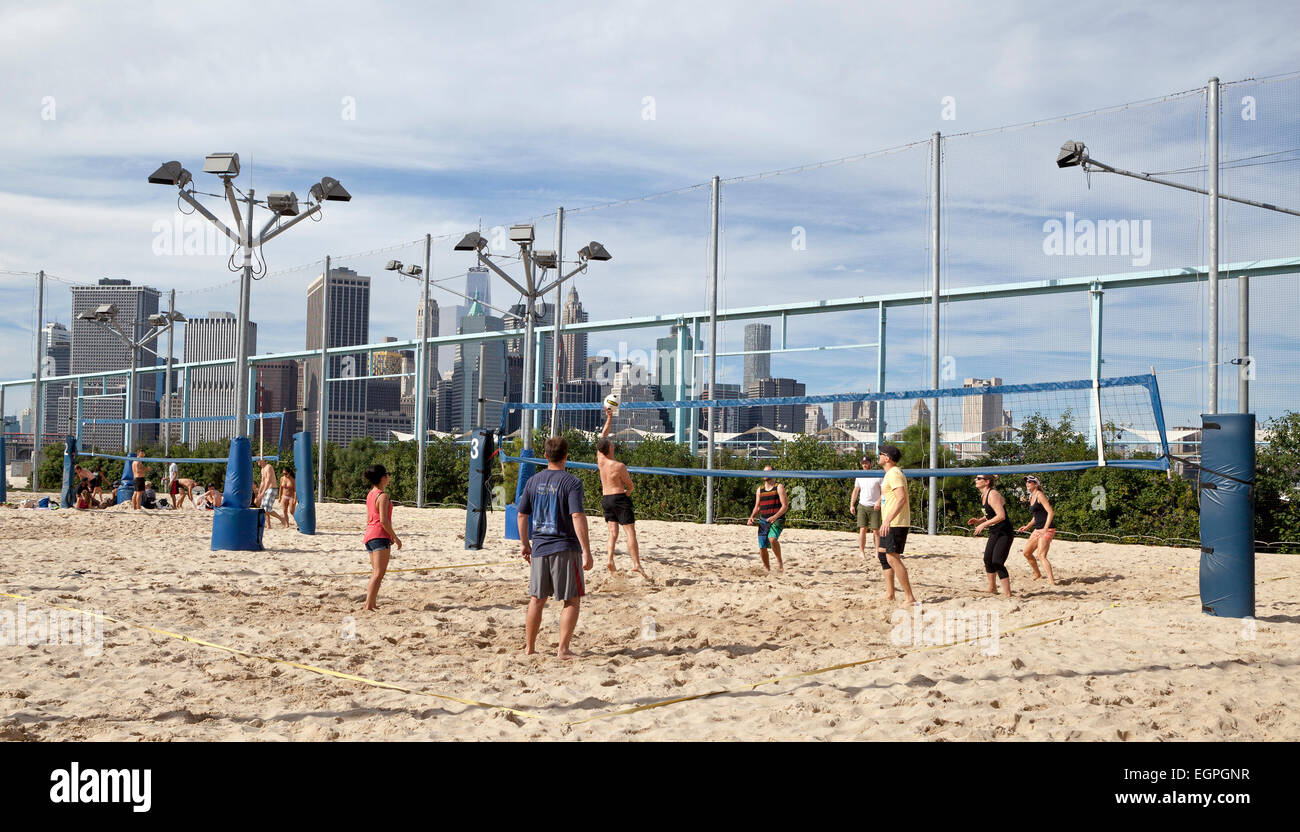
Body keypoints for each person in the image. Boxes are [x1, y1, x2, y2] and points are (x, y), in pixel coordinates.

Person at [517, 435, 593, 660]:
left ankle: (529, 647)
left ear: (545, 456)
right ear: (567, 456)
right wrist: (586, 550)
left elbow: (522, 515)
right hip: (565, 546)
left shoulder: (533, 481)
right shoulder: (571, 482)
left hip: (540, 546)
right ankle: (563, 650)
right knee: (572, 599)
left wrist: (524, 544)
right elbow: (577, 515)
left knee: (537, 599)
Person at [596, 405, 648, 578]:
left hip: (606, 498)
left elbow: (603, 435)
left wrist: (609, 418)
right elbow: (630, 485)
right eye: (611, 443)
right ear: (609, 448)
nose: (613, 443)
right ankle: (636, 564)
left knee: (612, 532)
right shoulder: (619, 466)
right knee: (630, 532)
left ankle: (610, 559)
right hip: (619, 497)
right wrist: (628, 493)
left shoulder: (600, 460)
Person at [877, 444, 917, 605]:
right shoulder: (889, 474)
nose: (878, 456)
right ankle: (890, 594)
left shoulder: (894, 473)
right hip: (889, 521)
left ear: (887, 458)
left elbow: (901, 499)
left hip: (896, 522)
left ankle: (910, 597)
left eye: (881, 454)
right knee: (883, 555)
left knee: (892, 558)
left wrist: (887, 520)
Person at [361, 464, 401, 612]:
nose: (389, 477)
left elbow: (368, 518)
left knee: (375, 572)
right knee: (378, 573)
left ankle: (371, 603)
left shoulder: (371, 494)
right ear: (383, 477)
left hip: (369, 535)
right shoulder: (382, 496)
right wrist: (395, 537)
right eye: (388, 474)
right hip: (379, 535)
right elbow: (384, 520)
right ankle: (368, 605)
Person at [968, 474, 1014, 597]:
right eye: (976, 478)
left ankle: (1008, 594)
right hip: (995, 531)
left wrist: (983, 525)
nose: (975, 480)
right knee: (987, 560)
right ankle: (992, 587)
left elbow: (1001, 515)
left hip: (1005, 532)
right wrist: (979, 520)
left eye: (978, 478)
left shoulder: (993, 494)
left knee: (997, 561)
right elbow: (990, 514)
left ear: (987, 482)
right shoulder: (984, 495)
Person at [1017, 475, 1058, 585]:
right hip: (1038, 528)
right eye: (1027, 481)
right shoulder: (1031, 496)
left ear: (1036, 484)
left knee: (1041, 556)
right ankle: (1038, 574)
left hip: (1047, 528)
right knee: (1026, 553)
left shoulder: (1040, 495)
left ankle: (1052, 582)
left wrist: (1045, 528)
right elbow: (1036, 516)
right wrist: (1027, 526)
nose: (1027, 483)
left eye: (1030, 481)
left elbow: (1051, 512)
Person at [747, 466, 789, 571]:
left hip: (777, 519)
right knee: (762, 546)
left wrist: (775, 516)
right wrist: (751, 517)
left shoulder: (779, 487)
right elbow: (757, 507)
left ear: (773, 473)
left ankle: (779, 562)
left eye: (767, 471)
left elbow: (785, 506)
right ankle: (767, 569)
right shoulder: (759, 490)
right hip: (763, 520)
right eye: (764, 471)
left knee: (772, 539)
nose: (765, 473)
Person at [849, 454, 883, 560]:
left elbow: (884, 491)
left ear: (870, 464)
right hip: (862, 505)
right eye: (863, 463)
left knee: (876, 530)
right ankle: (862, 552)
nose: (865, 465)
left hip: (875, 506)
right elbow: (855, 491)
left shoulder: (878, 475)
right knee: (862, 529)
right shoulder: (859, 476)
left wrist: (879, 502)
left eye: (866, 463)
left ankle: (877, 552)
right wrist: (852, 505)